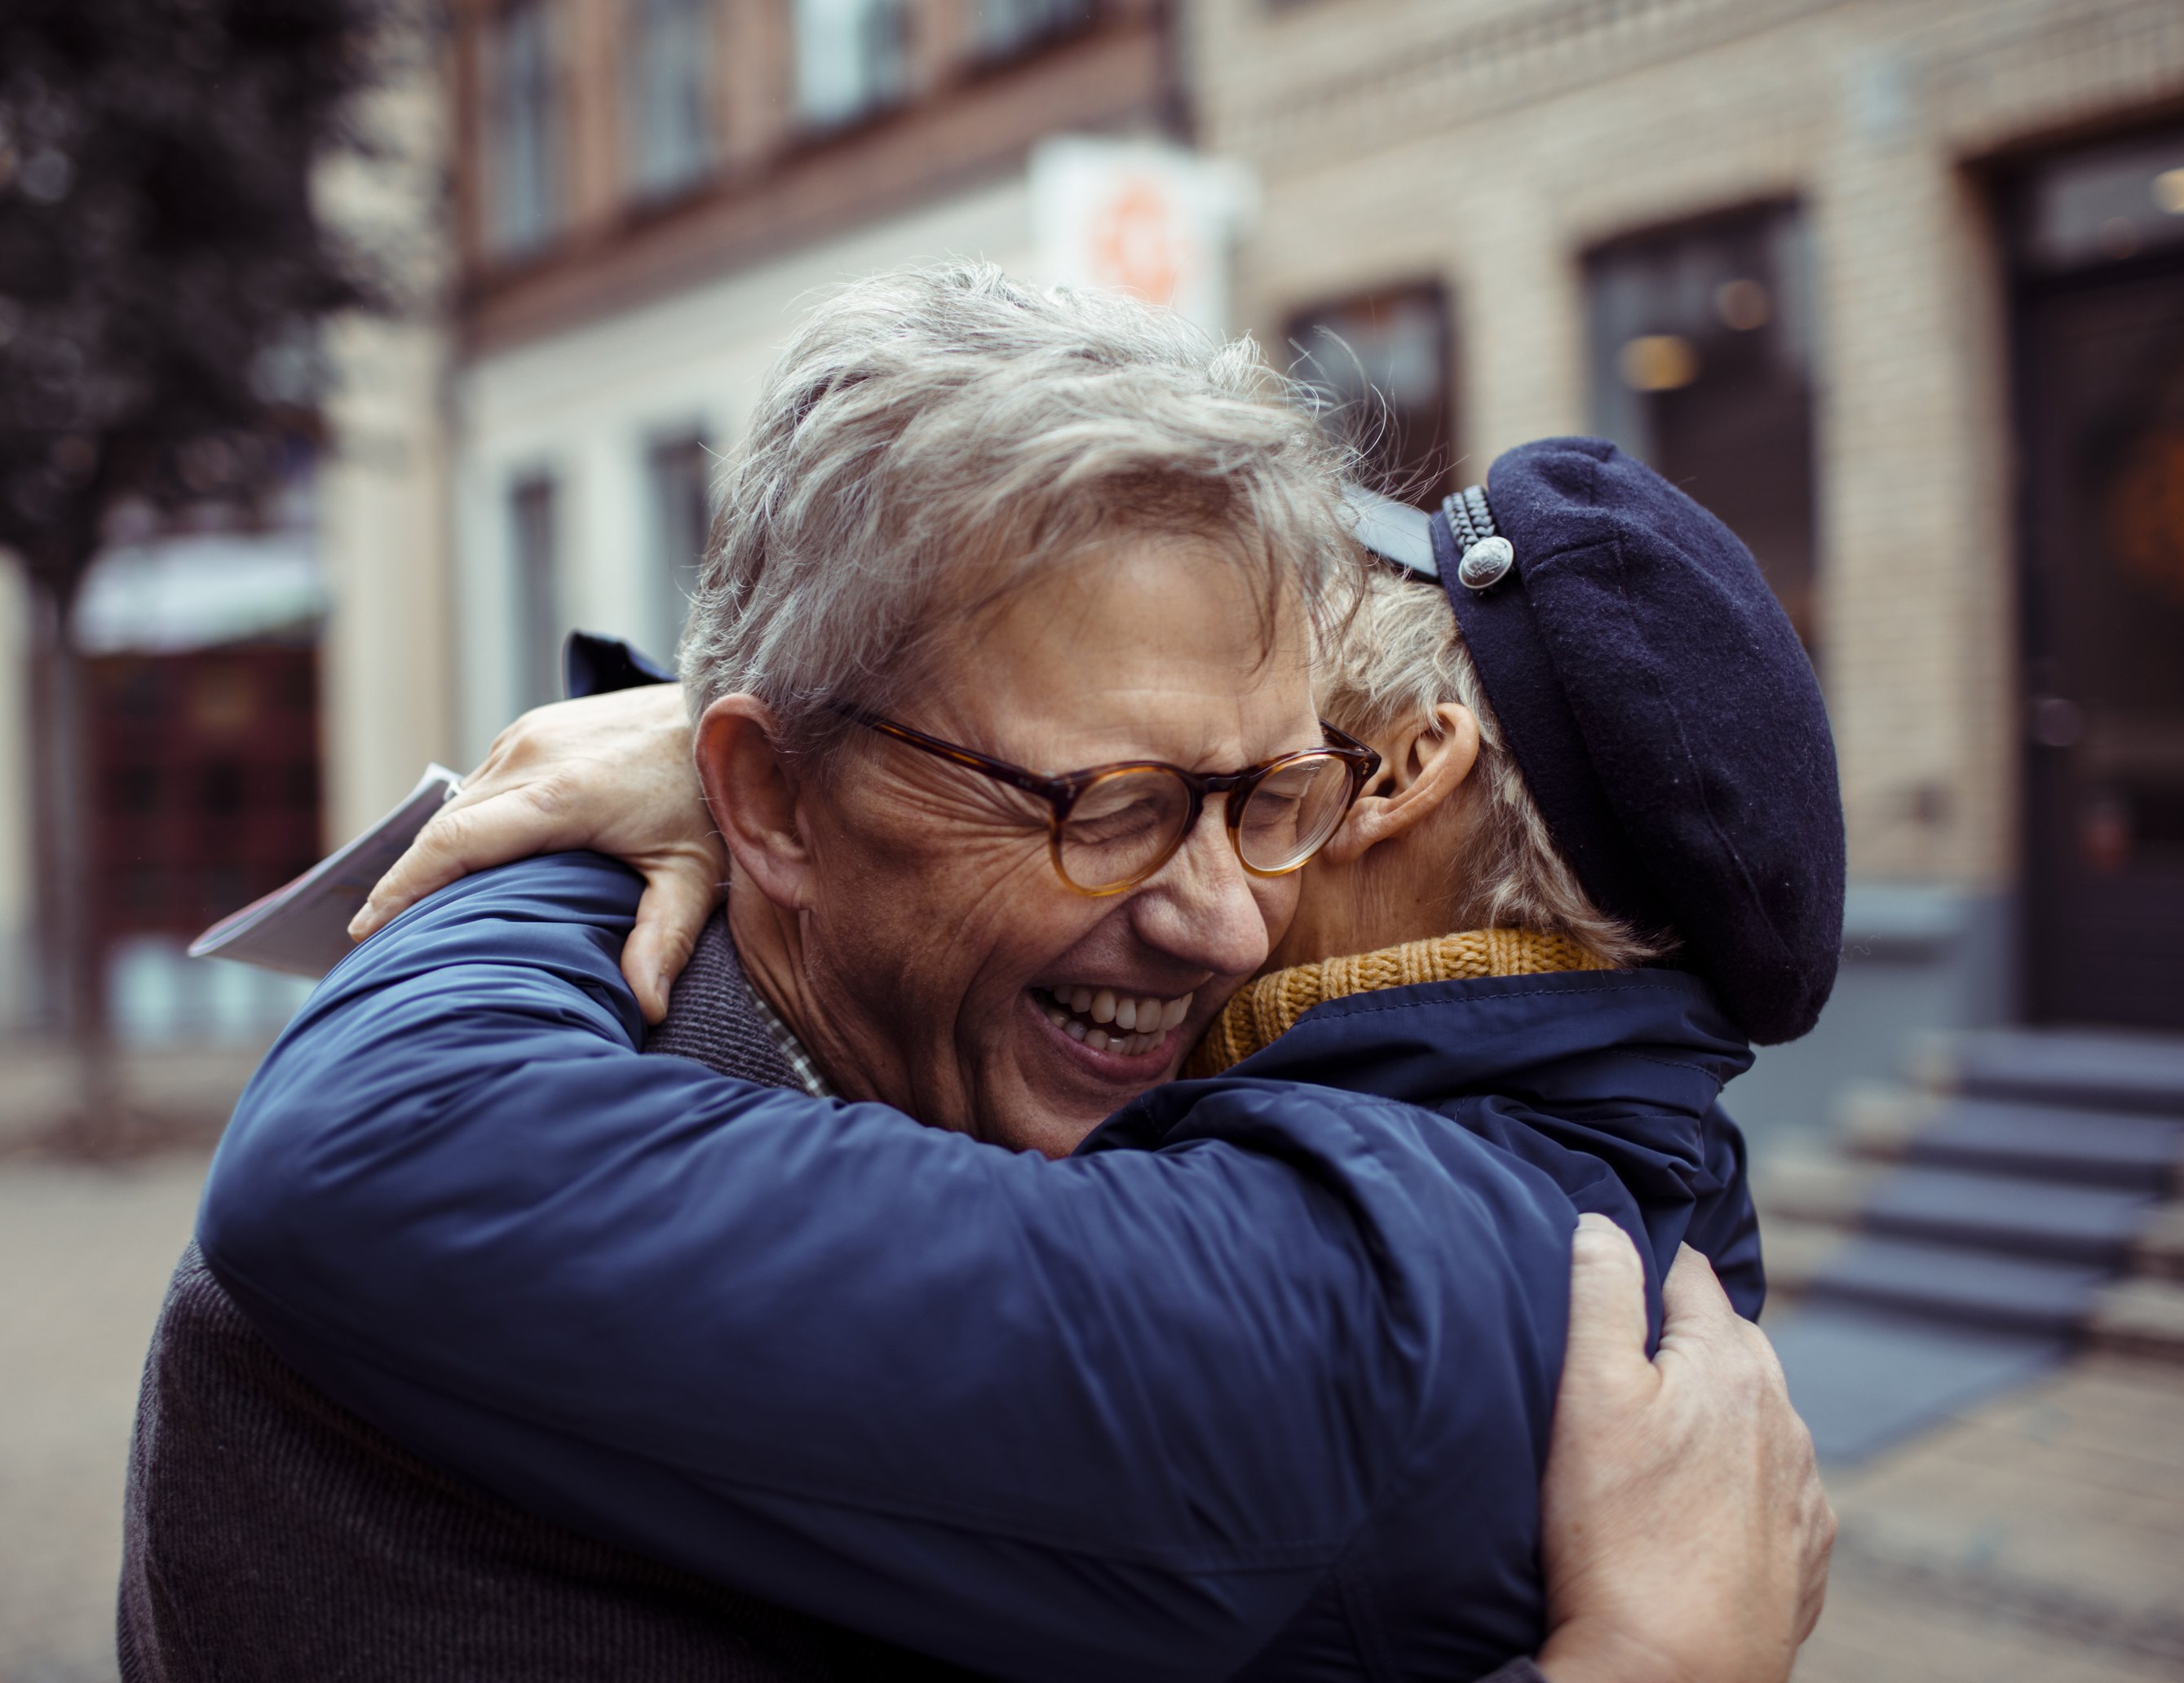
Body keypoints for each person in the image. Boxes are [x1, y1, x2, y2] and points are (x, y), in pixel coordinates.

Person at [169, 264, 1836, 1681]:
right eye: (1108, 807)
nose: (1228, 919)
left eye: (1267, 796)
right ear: (777, 798)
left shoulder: (1362, 1275)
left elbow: (378, 1145)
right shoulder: (1616, 1182)